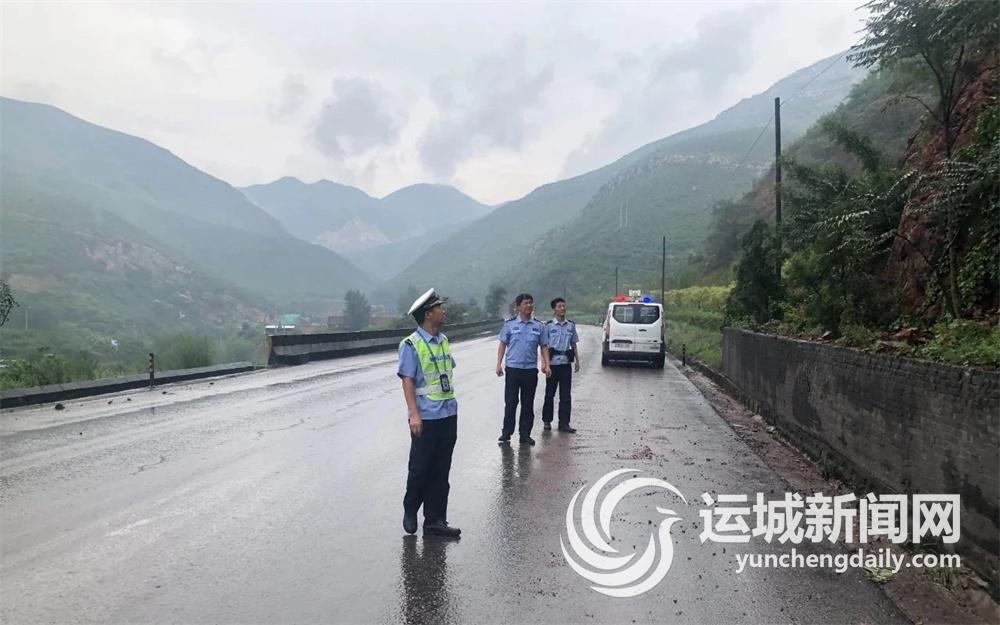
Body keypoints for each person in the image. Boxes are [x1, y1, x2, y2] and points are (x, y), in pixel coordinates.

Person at [398, 288, 461, 538]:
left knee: (441, 470)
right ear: (427, 314)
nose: (443, 311)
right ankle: (410, 508)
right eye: (439, 308)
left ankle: (435, 521)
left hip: (448, 413)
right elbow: (408, 380)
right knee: (420, 468)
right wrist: (413, 414)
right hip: (426, 416)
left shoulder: (443, 340)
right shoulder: (411, 345)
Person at [496, 293, 551, 446]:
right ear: (518, 307)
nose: (529, 306)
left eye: (530, 303)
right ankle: (506, 432)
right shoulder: (510, 325)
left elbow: (544, 346)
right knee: (511, 402)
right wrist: (499, 364)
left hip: (530, 370)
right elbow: (502, 345)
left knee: (528, 404)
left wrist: (547, 364)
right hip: (513, 369)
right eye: (525, 303)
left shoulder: (539, 326)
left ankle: (525, 434)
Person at [542, 297, 580, 433]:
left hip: (565, 364)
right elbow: (544, 346)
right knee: (549, 394)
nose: (562, 308)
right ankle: (547, 420)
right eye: (559, 306)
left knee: (565, 395)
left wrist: (577, 360)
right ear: (554, 309)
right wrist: (545, 364)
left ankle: (564, 423)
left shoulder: (571, 325)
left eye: (564, 306)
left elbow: (573, 344)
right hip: (552, 365)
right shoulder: (548, 326)